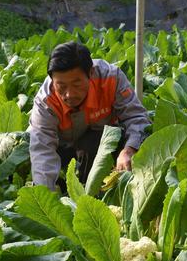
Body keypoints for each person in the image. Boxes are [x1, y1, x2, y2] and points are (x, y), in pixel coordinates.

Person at [28, 41, 151, 192]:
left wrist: (130, 150)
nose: (69, 94)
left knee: (97, 145)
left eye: (77, 84)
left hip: (101, 145)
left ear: (91, 73)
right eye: (61, 86)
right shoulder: (45, 102)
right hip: (62, 149)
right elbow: (42, 151)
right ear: (52, 81)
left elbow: (136, 116)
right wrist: (44, 200)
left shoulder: (111, 78)